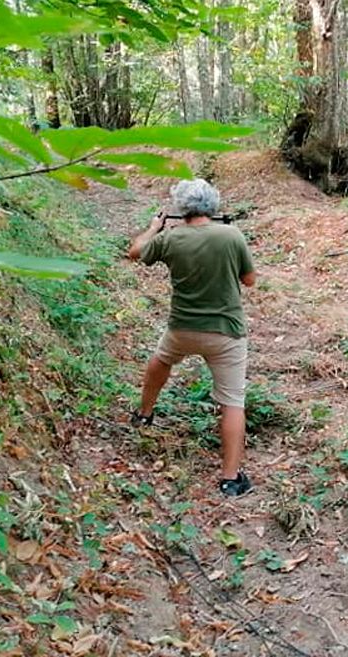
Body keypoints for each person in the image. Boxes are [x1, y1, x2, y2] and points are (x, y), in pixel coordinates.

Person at [127, 178, 258, 497]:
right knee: (232, 401)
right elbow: (250, 280)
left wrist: (153, 228)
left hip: (182, 327)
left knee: (161, 360)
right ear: (212, 205)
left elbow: (134, 252)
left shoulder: (171, 237)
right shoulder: (230, 235)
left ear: (180, 208)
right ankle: (230, 478)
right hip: (226, 332)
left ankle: (144, 414)